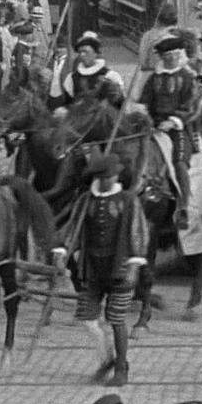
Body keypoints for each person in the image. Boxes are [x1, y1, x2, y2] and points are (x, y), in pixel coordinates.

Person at [52, 153, 149, 388]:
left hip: (120, 268)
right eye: (108, 175)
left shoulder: (128, 200)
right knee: (87, 318)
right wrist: (62, 251)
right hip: (92, 269)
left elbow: (138, 231)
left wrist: (134, 264)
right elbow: (73, 227)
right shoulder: (86, 200)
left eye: (114, 174)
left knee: (116, 319)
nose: (112, 178)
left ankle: (121, 367)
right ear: (101, 177)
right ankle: (107, 358)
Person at [138, 34, 199, 229]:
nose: (170, 59)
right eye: (166, 56)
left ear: (179, 55)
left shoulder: (188, 77)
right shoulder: (154, 78)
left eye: (173, 55)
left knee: (180, 162)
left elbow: (191, 105)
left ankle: (184, 207)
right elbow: (145, 101)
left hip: (178, 127)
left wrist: (173, 122)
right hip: (154, 126)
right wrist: (143, 115)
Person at [63, 32, 125, 108]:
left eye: (85, 51)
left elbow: (120, 106)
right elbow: (68, 105)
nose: (82, 55)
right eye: (80, 52)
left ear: (95, 53)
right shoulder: (72, 78)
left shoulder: (110, 76)